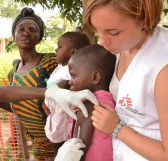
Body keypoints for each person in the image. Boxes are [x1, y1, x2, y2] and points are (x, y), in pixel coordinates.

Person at [62, 0, 168, 160]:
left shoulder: (162, 65)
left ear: (143, 18)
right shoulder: (119, 48)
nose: (102, 42)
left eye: (113, 32)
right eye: (97, 31)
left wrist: (117, 128)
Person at [8, 7, 58, 160]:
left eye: (32, 29)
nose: (26, 32)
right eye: (21, 29)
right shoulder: (13, 73)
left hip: (57, 141)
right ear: (14, 35)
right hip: (37, 145)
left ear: (39, 36)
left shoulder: (51, 62)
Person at [55, 44, 116, 161]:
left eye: (73, 76)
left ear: (95, 77)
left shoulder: (89, 103)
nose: (70, 82)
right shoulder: (109, 100)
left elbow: (79, 146)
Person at [44, 31, 90, 154]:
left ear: (73, 52)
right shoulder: (60, 67)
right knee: (55, 142)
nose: (55, 50)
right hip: (54, 114)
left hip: (64, 117)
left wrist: (66, 83)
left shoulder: (71, 70)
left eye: (59, 47)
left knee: (60, 145)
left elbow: (75, 84)